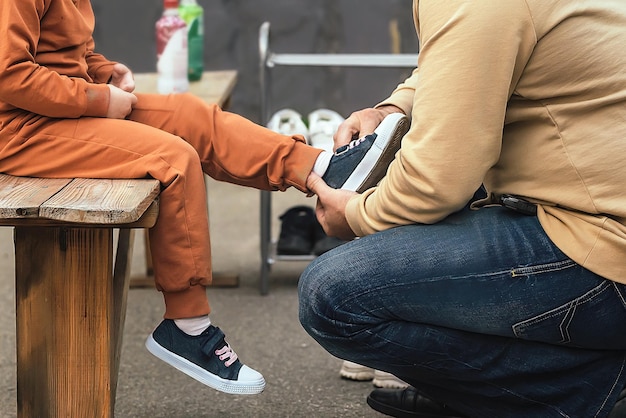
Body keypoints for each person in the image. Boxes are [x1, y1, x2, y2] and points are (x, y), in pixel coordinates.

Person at [0, 0, 408, 396]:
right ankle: (187, 326)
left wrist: (102, 71)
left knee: (190, 116)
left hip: (60, 110)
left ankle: (320, 167)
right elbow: (9, 74)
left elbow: (58, 53)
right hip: (20, 130)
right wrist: (99, 100)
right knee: (174, 160)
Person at [298, 1, 626, 417]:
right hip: (603, 222)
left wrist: (357, 215)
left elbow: (435, 181)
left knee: (335, 294)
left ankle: (574, 389)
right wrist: (395, 107)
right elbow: (474, 52)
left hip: (607, 255)